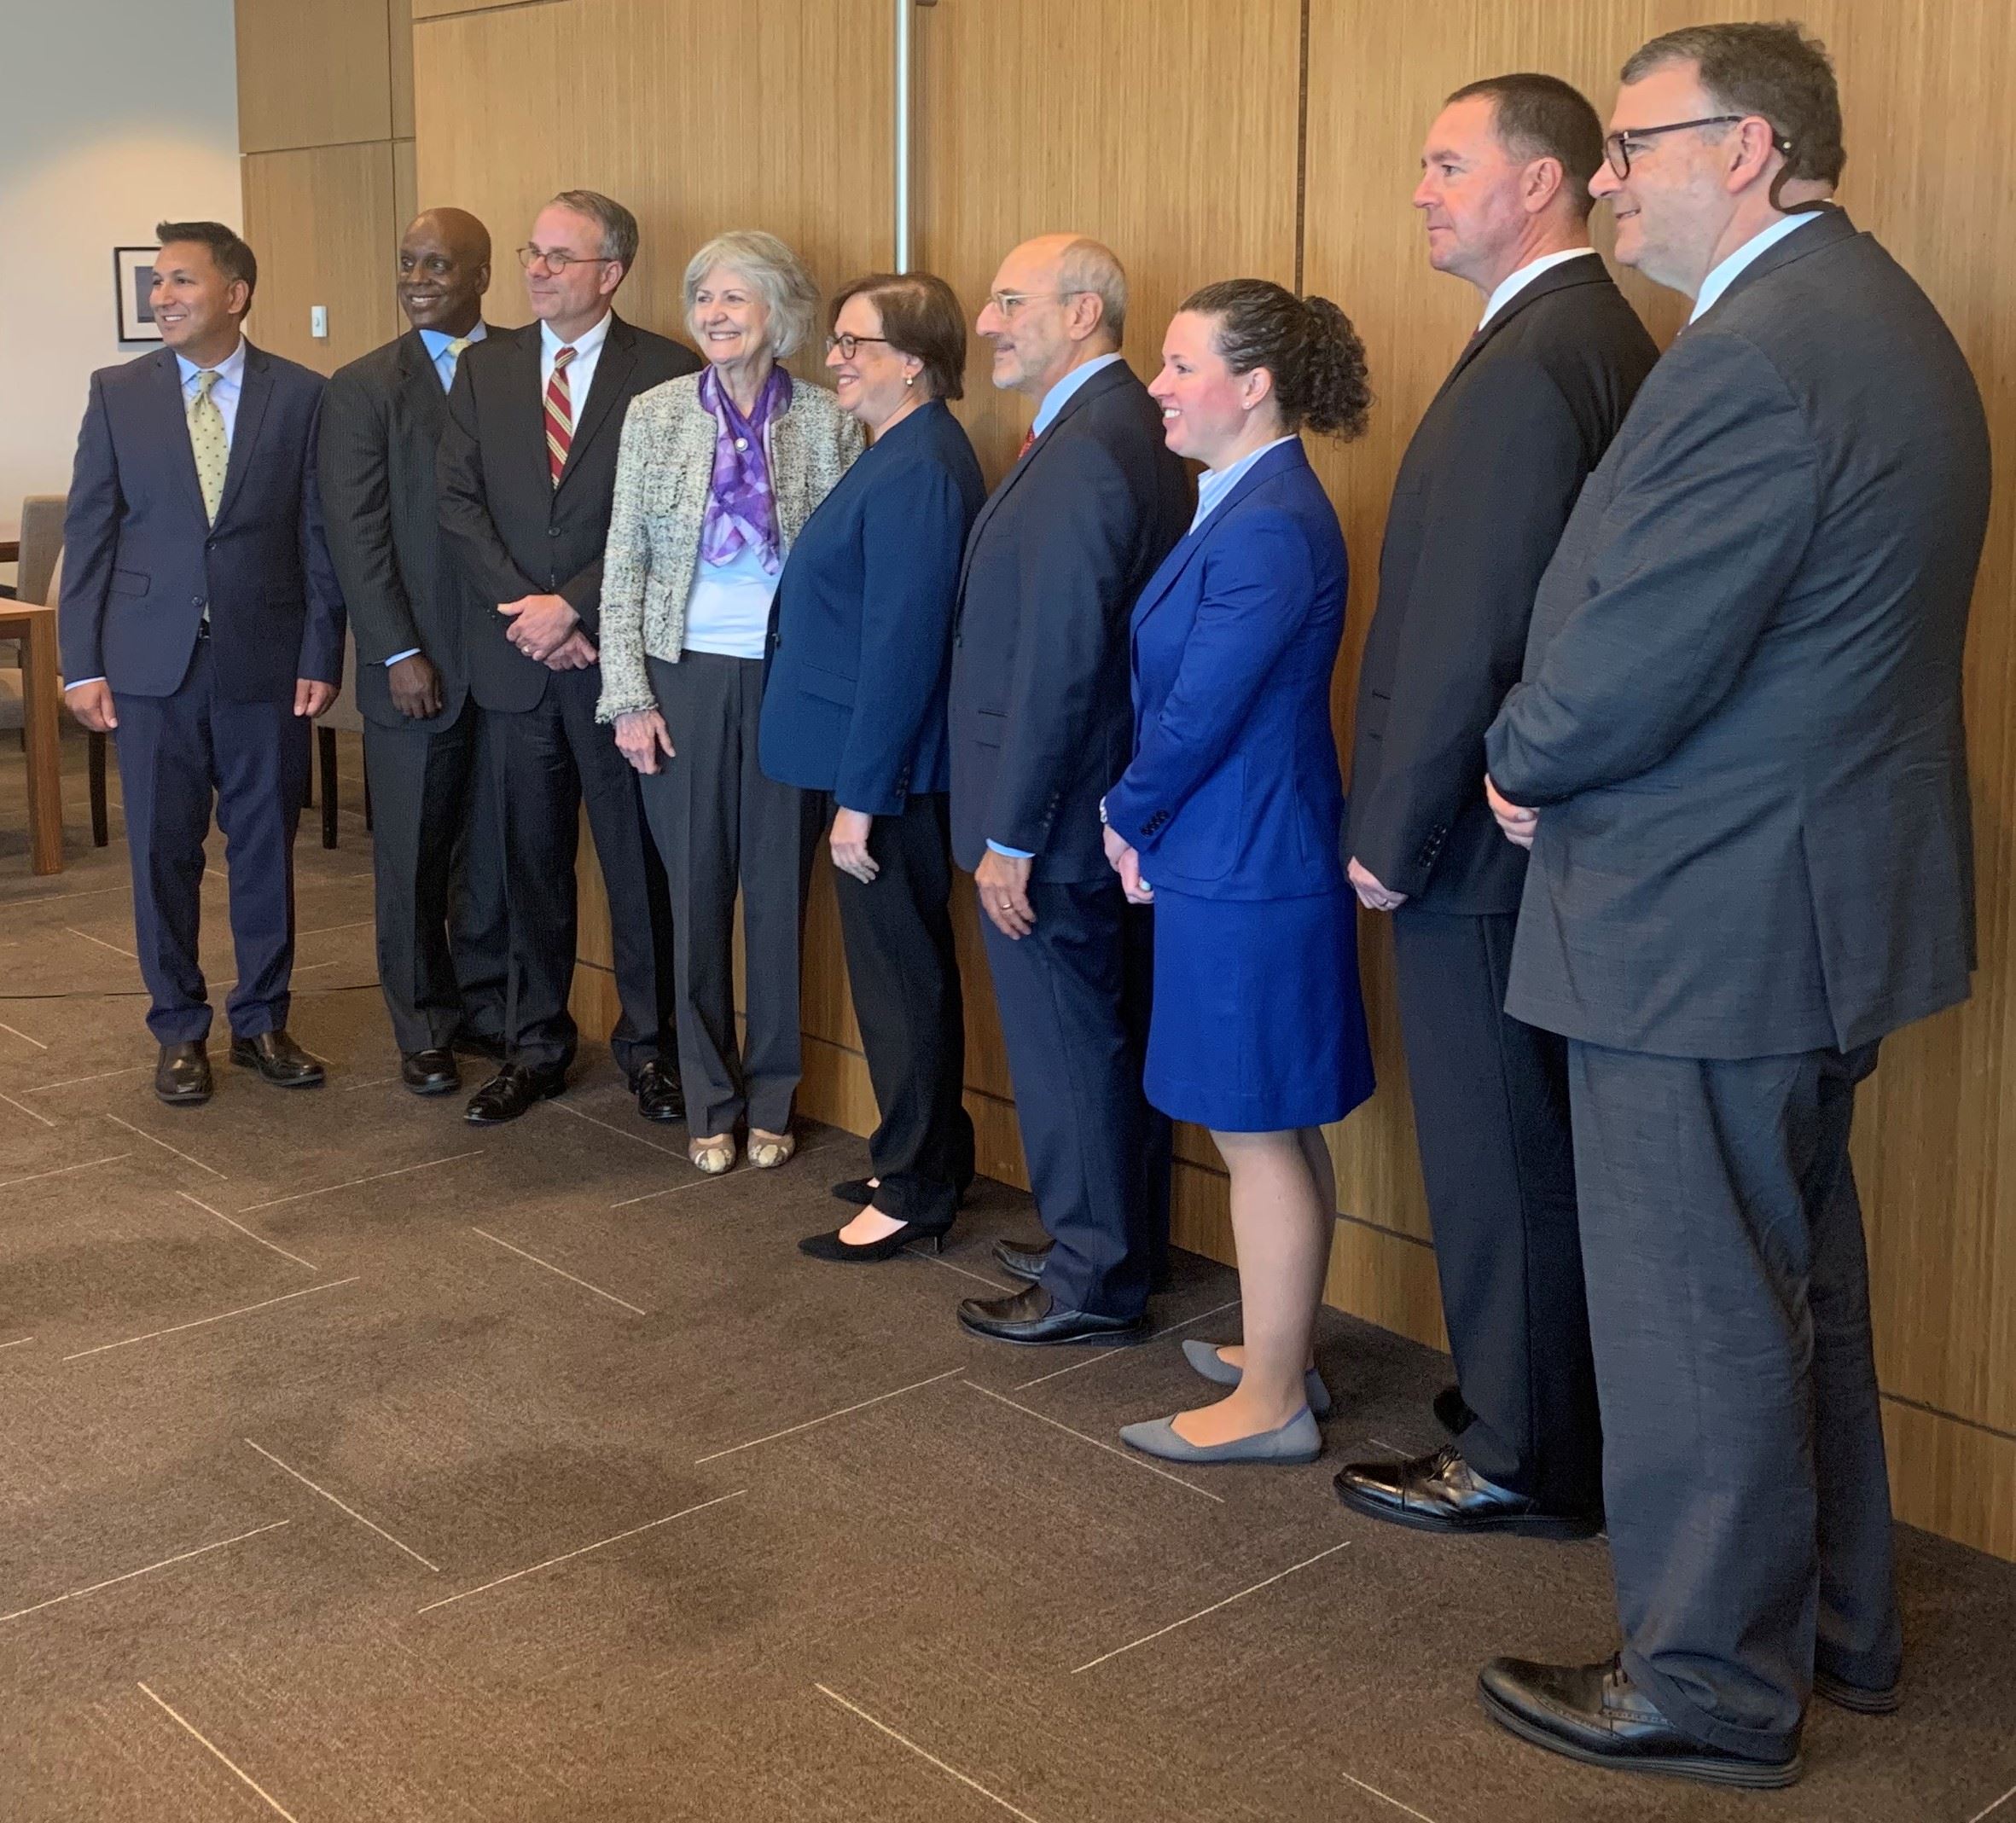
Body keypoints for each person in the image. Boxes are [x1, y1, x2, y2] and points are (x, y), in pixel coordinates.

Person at [1476, 24, 1990, 1789]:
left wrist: (1518, 756)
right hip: (1794, 905)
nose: (1606, 175)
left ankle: (1702, 1682)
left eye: (1631, 145)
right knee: (1785, 1285)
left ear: (1748, 148)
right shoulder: (1858, 318)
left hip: (1700, 916)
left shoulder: (1762, 353)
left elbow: (1640, 649)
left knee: (1696, 1310)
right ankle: (1830, 1629)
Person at [1333, 77, 1658, 1533]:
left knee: (1497, 1152)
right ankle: (1529, 1416)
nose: (1417, 188)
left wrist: (1390, 838)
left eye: (1441, 161)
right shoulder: (1569, 337)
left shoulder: (1541, 354)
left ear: (1541, 183)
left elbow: (1470, 624)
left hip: (1471, 838)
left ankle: (1524, 1454)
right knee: (1513, 1148)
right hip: (1507, 826)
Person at [1101, 282, 1376, 1464]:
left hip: (1246, 859)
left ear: (1252, 384)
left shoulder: (1266, 521)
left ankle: (1267, 1398)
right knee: (1265, 1118)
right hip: (1239, 849)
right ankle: (1283, 1351)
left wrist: (1125, 811)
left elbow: (1199, 709)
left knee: (1256, 1128)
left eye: (1176, 364)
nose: (1155, 386)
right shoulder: (1245, 499)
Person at [948, 235, 1189, 1346]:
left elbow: (1060, 658)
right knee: (1090, 1036)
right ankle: (1103, 1238)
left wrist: (1012, 832)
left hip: (1056, 816)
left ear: (1082, 311)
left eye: (1010, 301)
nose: (989, 321)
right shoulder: (1102, 428)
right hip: (1088, 806)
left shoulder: (1096, 443)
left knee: (1064, 1041)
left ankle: (1092, 1274)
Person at [58, 221, 343, 1106]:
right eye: (155, 285)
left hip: (264, 659)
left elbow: (318, 536)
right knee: (161, 851)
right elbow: (90, 531)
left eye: (180, 281)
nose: (162, 299)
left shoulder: (303, 395)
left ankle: (261, 1018)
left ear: (236, 292)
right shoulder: (118, 393)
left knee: (265, 848)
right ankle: (178, 1026)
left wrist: (321, 649)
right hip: (148, 665)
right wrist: (79, 663)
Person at [598, 232, 862, 1175]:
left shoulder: (831, 422)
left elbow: (843, 584)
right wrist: (627, 695)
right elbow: (622, 557)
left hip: (789, 684)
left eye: (734, 299)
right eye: (703, 296)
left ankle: (774, 1095)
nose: (713, 314)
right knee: (695, 890)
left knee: (779, 897)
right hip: (684, 679)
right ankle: (709, 1095)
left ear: (778, 315)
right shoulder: (655, 415)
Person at [436, 189, 696, 1127]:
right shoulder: (487, 369)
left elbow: (669, 515)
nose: (536, 270)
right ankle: (535, 1043)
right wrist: (528, 611)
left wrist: (572, 606)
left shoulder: (667, 371)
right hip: (517, 662)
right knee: (526, 864)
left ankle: (652, 1048)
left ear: (610, 273)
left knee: (638, 868)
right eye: (530, 252)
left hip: (617, 667)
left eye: (558, 256)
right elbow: (456, 503)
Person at [760, 273, 985, 1257]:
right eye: (837, 341)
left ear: (915, 361)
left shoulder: (924, 466)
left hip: (888, 781)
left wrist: (860, 799)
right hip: (871, 771)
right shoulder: (896, 453)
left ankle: (915, 1187)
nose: (836, 359)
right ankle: (924, 1153)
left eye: (856, 343)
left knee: (903, 985)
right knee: (896, 978)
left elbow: (903, 645)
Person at [319, 207, 510, 1095]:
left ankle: (486, 1007)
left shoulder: (517, 366)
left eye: (438, 264)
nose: (417, 279)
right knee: (411, 857)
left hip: (510, 663)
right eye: (406, 263)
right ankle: (423, 1026)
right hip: (415, 668)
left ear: (480, 275)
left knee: (492, 849)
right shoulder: (362, 387)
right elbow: (356, 537)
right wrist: (396, 651)